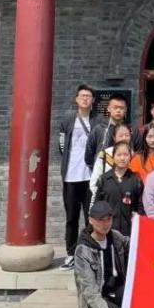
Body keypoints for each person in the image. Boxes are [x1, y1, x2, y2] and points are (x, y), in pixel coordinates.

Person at [75, 201, 147, 308]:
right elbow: (90, 291)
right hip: (98, 295)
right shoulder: (83, 251)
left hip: (116, 290)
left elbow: (136, 244)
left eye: (108, 219)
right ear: (91, 220)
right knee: (94, 305)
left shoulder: (115, 237)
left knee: (134, 294)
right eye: (100, 220)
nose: (105, 224)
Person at [58, 84, 94, 269]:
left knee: (90, 217)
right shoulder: (68, 118)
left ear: (93, 100)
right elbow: (61, 145)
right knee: (71, 217)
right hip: (71, 176)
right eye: (82, 95)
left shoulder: (97, 121)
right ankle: (71, 253)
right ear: (76, 99)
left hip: (90, 177)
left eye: (88, 96)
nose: (85, 98)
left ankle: (89, 252)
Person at [92, 141, 143, 236]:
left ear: (130, 157)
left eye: (126, 155)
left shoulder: (136, 180)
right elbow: (96, 204)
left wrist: (137, 216)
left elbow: (140, 206)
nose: (122, 158)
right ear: (113, 157)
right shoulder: (104, 179)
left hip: (129, 231)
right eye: (119, 155)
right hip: (107, 230)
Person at [84, 93, 129, 170]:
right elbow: (89, 154)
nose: (118, 110)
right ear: (108, 108)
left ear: (126, 109)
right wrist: (97, 167)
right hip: (102, 171)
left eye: (121, 108)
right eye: (115, 107)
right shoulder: (99, 129)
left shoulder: (130, 130)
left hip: (125, 172)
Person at [88, 124, 131, 203]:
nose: (124, 138)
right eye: (121, 136)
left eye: (127, 135)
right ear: (114, 137)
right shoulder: (104, 155)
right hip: (106, 201)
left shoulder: (134, 156)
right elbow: (94, 182)